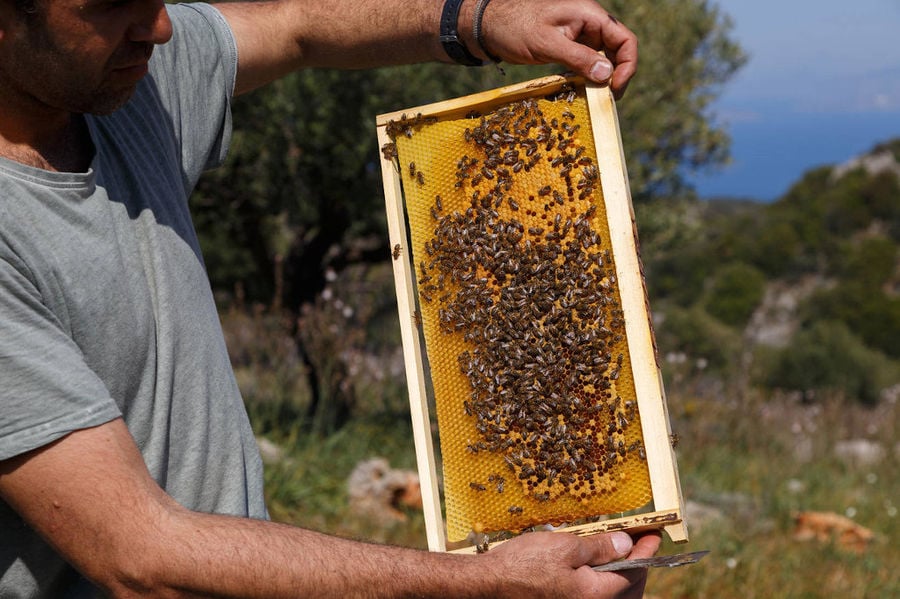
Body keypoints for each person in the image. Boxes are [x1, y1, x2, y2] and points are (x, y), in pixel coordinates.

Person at [0, 0, 659, 596]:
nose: (162, 27)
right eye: (113, 5)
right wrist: (480, 584)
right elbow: (140, 557)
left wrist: (478, 20)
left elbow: (296, 24)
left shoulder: (132, 84)